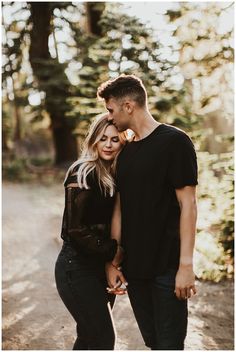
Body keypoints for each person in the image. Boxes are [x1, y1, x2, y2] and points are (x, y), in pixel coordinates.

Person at [97, 74, 198, 350]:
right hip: (135, 268)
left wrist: (186, 266)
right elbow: (120, 208)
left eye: (111, 109)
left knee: (170, 345)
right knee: (154, 343)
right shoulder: (125, 152)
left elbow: (188, 204)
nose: (109, 116)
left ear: (128, 106)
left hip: (167, 267)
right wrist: (114, 261)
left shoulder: (175, 142)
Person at [55, 114, 126, 350]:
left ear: (122, 142)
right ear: (93, 140)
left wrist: (112, 264)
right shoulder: (82, 171)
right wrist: (113, 252)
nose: (108, 144)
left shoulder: (115, 175)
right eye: (102, 138)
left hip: (100, 267)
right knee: (103, 338)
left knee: (90, 337)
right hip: (76, 268)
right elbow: (74, 229)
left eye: (115, 140)